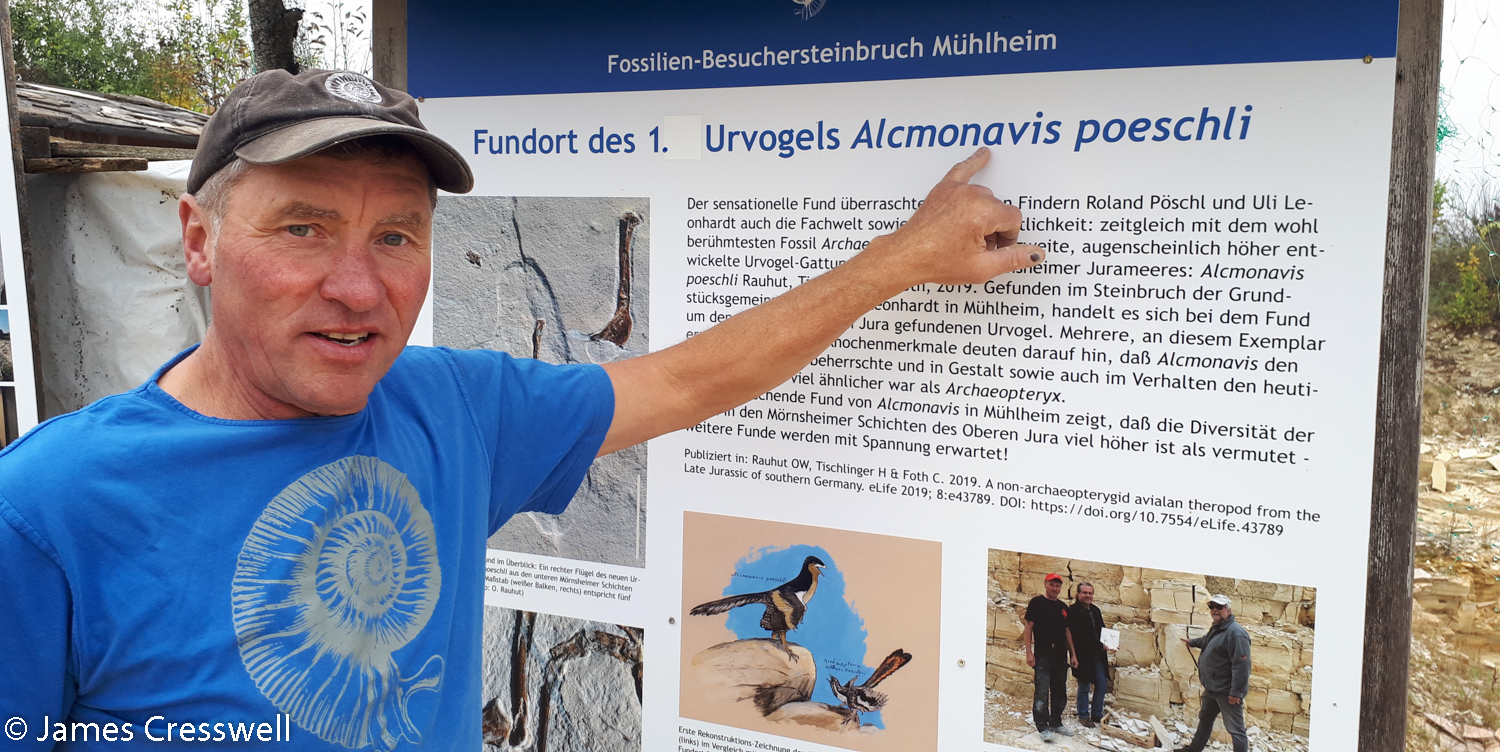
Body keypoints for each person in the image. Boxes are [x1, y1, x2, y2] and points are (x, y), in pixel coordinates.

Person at [0, 69, 1044, 749]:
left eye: (397, 237)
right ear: (198, 239)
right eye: (304, 229)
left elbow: (686, 379)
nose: (359, 288)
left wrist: (899, 261)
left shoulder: (451, 407)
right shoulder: (50, 506)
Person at [1179, 594, 1253, 752]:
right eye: (1212, 606)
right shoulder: (1219, 627)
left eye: (1219, 607)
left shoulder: (1236, 634)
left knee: (1236, 730)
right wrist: (1192, 642)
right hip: (1212, 688)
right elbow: (1208, 641)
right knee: (1205, 719)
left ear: (1228, 609)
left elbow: (1242, 666)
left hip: (1227, 692)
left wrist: (1236, 693)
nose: (1215, 610)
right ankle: (1194, 749)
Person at [1024, 573, 1078, 741]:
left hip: (1060, 655)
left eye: (1057, 586)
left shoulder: (1063, 608)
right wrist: (1029, 652)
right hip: (1043, 653)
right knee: (1041, 691)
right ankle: (1042, 726)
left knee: (1060, 691)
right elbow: (1028, 628)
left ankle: (1055, 722)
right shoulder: (1036, 603)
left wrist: (1073, 655)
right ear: (1045, 584)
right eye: (1052, 585)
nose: (1055, 589)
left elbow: (1067, 632)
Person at [1068, 581, 1112, 727]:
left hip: (1098, 655)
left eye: (1090, 593)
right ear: (1078, 594)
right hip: (1082, 655)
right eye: (1085, 593)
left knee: (1102, 684)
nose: (1088, 595)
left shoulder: (1095, 610)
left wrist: (1110, 643)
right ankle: (1083, 715)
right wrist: (1073, 655)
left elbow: (1102, 631)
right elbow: (1076, 636)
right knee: (1084, 686)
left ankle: (1096, 714)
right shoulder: (1073, 611)